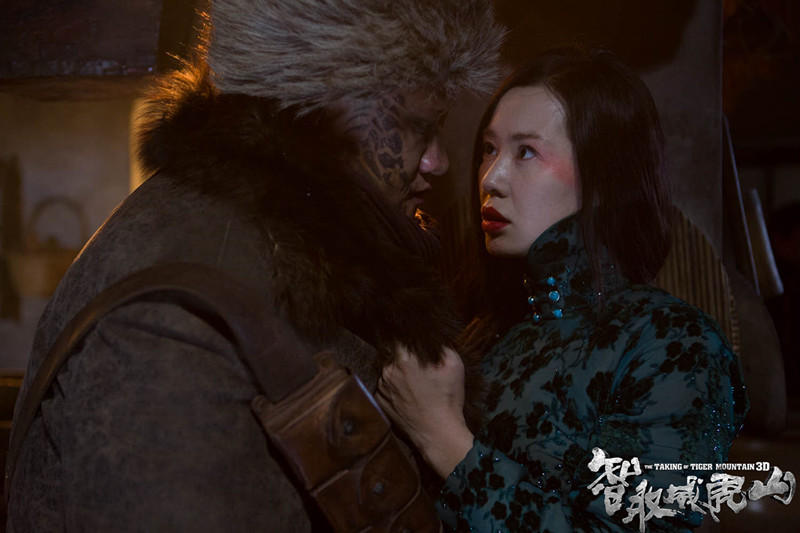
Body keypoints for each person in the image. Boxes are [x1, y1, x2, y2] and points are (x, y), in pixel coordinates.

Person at [6, 1, 504, 531]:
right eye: (419, 127)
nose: (437, 161)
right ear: (329, 106)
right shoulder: (176, 311)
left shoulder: (288, 243)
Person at [377, 47, 749, 532]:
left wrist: (443, 438)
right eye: (489, 149)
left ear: (603, 176)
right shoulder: (483, 330)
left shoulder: (674, 343)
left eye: (526, 152)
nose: (491, 178)